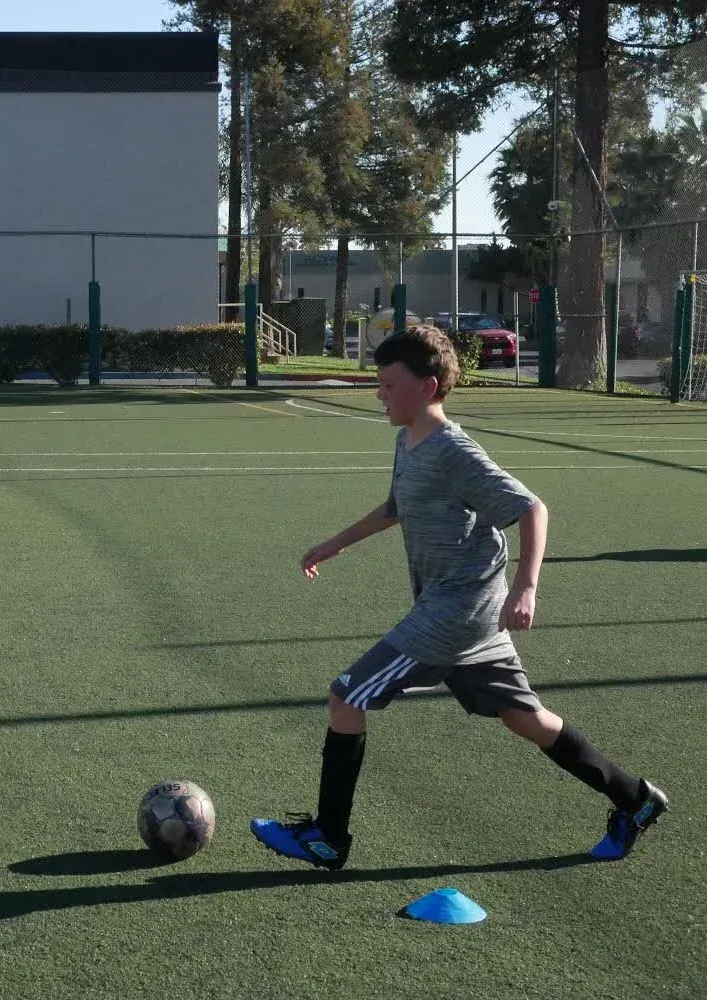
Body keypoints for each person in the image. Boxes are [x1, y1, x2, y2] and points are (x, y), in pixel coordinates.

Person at [251, 325, 668, 870]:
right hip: (471, 614)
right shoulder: (408, 441)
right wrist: (332, 545)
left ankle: (329, 837)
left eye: (388, 384)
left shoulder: (452, 449)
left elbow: (530, 508)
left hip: (456, 612)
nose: (379, 393)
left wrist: (526, 587)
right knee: (527, 719)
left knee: (346, 698)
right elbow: (394, 507)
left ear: (427, 387)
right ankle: (634, 798)